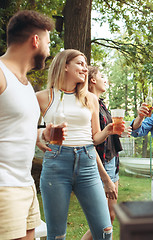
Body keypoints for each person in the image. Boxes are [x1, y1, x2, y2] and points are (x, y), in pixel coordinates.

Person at [37, 49, 118, 239]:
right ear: (65, 66)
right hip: (56, 163)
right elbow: (25, 128)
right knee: (57, 234)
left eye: (85, 65)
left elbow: (95, 137)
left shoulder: (90, 98)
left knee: (105, 230)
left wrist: (108, 131)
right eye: (80, 64)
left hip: (87, 162)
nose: (85, 68)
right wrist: (40, 137)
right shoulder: (43, 97)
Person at [0, 10, 54, 240]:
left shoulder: (25, 84)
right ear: (35, 40)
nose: (49, 50)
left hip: (25, 185)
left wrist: (41, 134)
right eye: (48, 42)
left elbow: (12, 127)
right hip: (4, 188)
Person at [82, 66, 125, 240]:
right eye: (101, 76)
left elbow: (108, 131)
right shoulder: (87, 104)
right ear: (92, 80)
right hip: (100, 162)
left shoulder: (101, 104)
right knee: (102, 222)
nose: (105, 80)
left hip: (112, 160)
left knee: (111, 216)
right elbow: (92, 139)